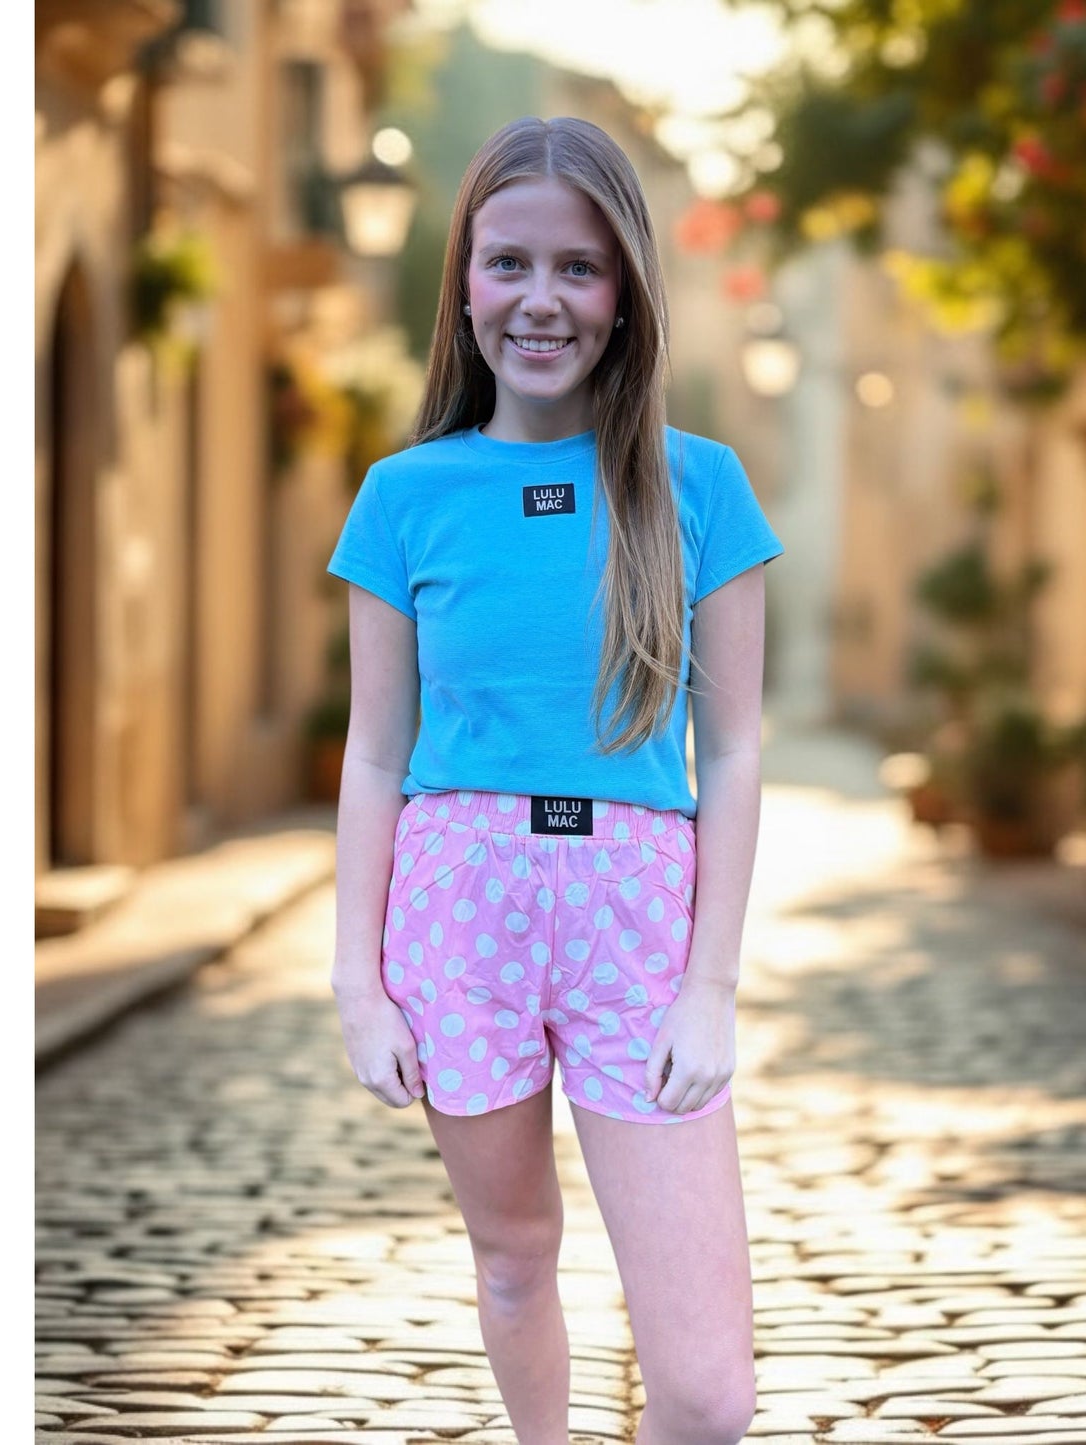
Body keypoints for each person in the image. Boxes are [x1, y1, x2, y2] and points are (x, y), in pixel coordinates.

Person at [326, 115, 783, 1445]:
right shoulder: (402, 495)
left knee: (704, 1392)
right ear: (462, 280)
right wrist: (358, 980)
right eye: (507, 262)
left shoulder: (700, 491)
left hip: (636, 915)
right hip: (454, 907)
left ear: (625, 289)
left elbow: (738, 747)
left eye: (577, 268)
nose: (540, 300)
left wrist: (709, 985)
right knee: (515, 1255)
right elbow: (372, 752)